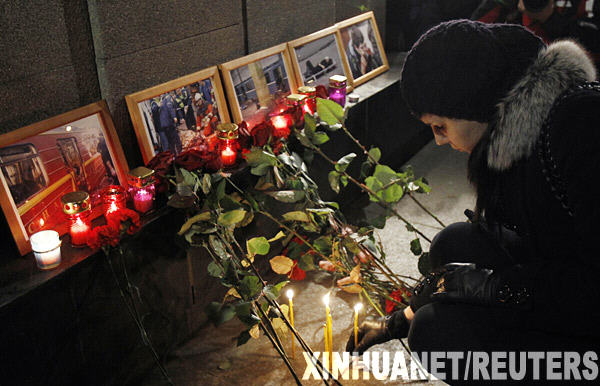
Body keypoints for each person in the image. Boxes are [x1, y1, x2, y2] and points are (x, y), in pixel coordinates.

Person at [346, 20, 599, 383]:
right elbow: (545, 246)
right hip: (570, 283)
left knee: (438, 336)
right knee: (455, 244)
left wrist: (491, 286)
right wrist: (398, 321)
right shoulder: (518, 135)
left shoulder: (580, 125)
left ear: (470, 101)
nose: (438, 141)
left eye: (440, 126)